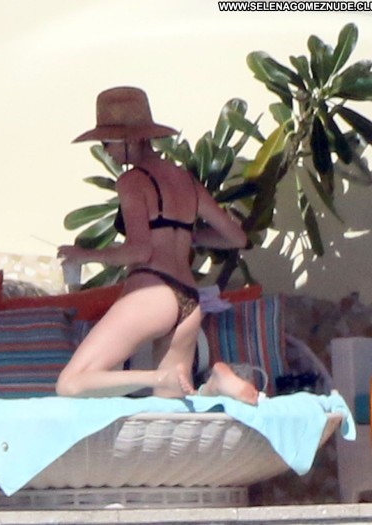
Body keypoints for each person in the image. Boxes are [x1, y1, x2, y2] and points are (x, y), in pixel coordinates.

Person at [56, 86, 258, 404]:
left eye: (107, 143)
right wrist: (189, 236)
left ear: (129, 139)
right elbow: (236, 238)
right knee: (174, 405)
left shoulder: (132, 181)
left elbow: (139, 251)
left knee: (70, 383)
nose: (106, 152)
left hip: (152, 290)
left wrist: (84, 254)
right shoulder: (186, 180)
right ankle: (215, 384)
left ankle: (155, 377)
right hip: (189, 298)